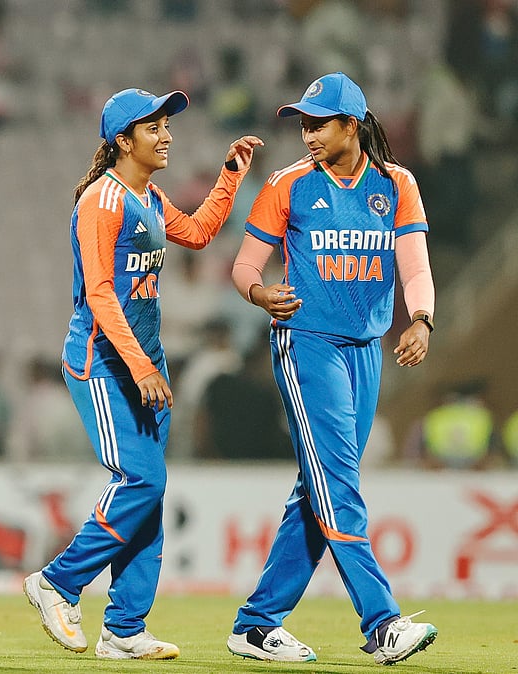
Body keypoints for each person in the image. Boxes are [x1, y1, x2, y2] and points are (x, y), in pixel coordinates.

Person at [23, 87, 262, 661]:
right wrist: (140, 366)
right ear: (121, 141)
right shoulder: (102, 202)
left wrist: (229, 177)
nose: (167, 135)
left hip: (141, 364)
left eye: (167, 125)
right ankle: (57, 582)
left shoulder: (148, 196)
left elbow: (200, 232)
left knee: (150, 493)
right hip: (103, 364)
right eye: (153, 127)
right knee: (142, 483)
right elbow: (101, 294)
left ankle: (125, 629)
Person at [225, 72, 438, 666]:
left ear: (354, 125)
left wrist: (420, 319)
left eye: (319, 123)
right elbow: (245, 267)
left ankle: (256, 624)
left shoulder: (397, 185)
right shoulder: (288, 184)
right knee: (337, 483)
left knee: (317, 489)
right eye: (303, 123)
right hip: (307, 344)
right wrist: (260, 294)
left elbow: (415, 269)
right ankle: (382, 622)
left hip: (365, 350)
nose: (308, 133)